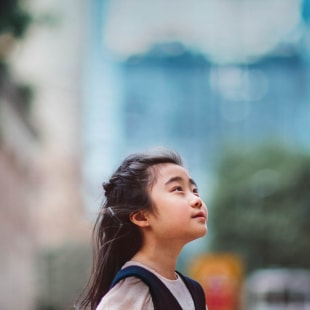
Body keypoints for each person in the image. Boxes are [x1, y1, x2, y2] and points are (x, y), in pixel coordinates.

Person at [79, 148, 208, 310]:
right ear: (141, 217)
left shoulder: (194, 291)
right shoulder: (132, 291)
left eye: (195, 191)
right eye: (178, 189)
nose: (196, 200)